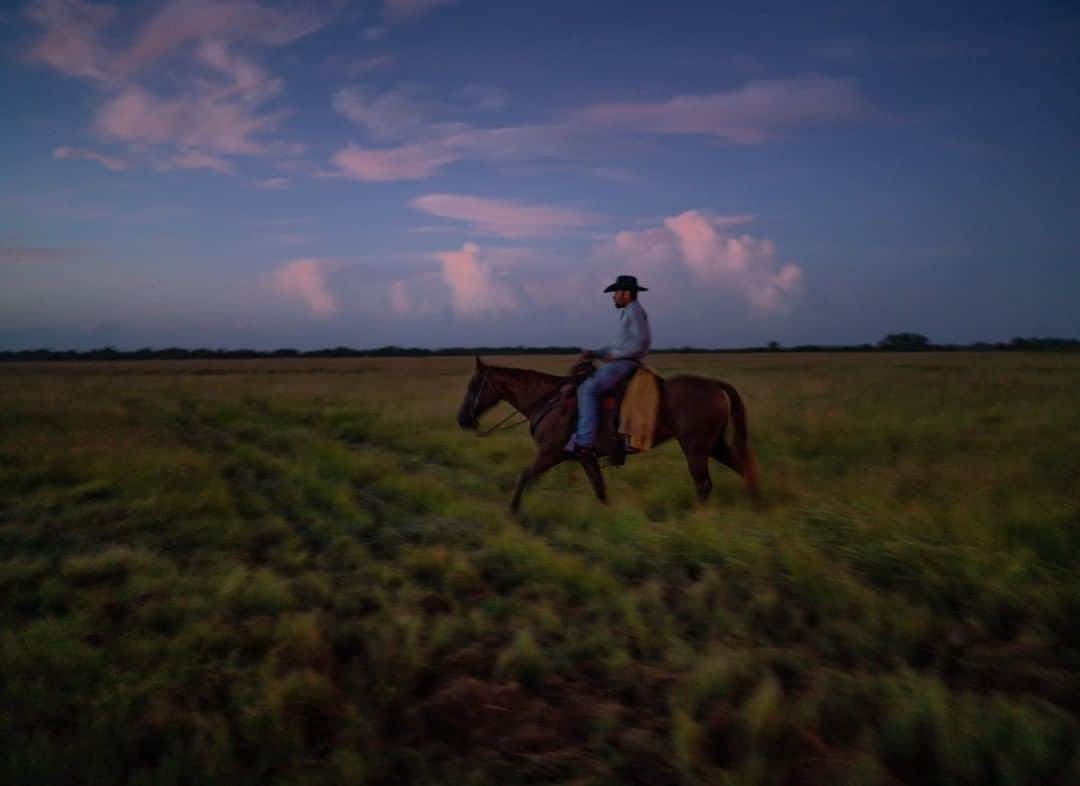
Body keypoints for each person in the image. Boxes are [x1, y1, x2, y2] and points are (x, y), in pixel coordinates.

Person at [566, 274, 651, 457]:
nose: (614, 296)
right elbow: (618, 346)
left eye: (616, 293)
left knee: (587, 390)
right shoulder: (628, 311)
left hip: (624, 364)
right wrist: (596, 353)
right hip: (622, 360)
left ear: (626, 294)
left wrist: (615, 355)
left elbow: (641, 342)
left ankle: (584, 442)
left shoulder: (634, 311)